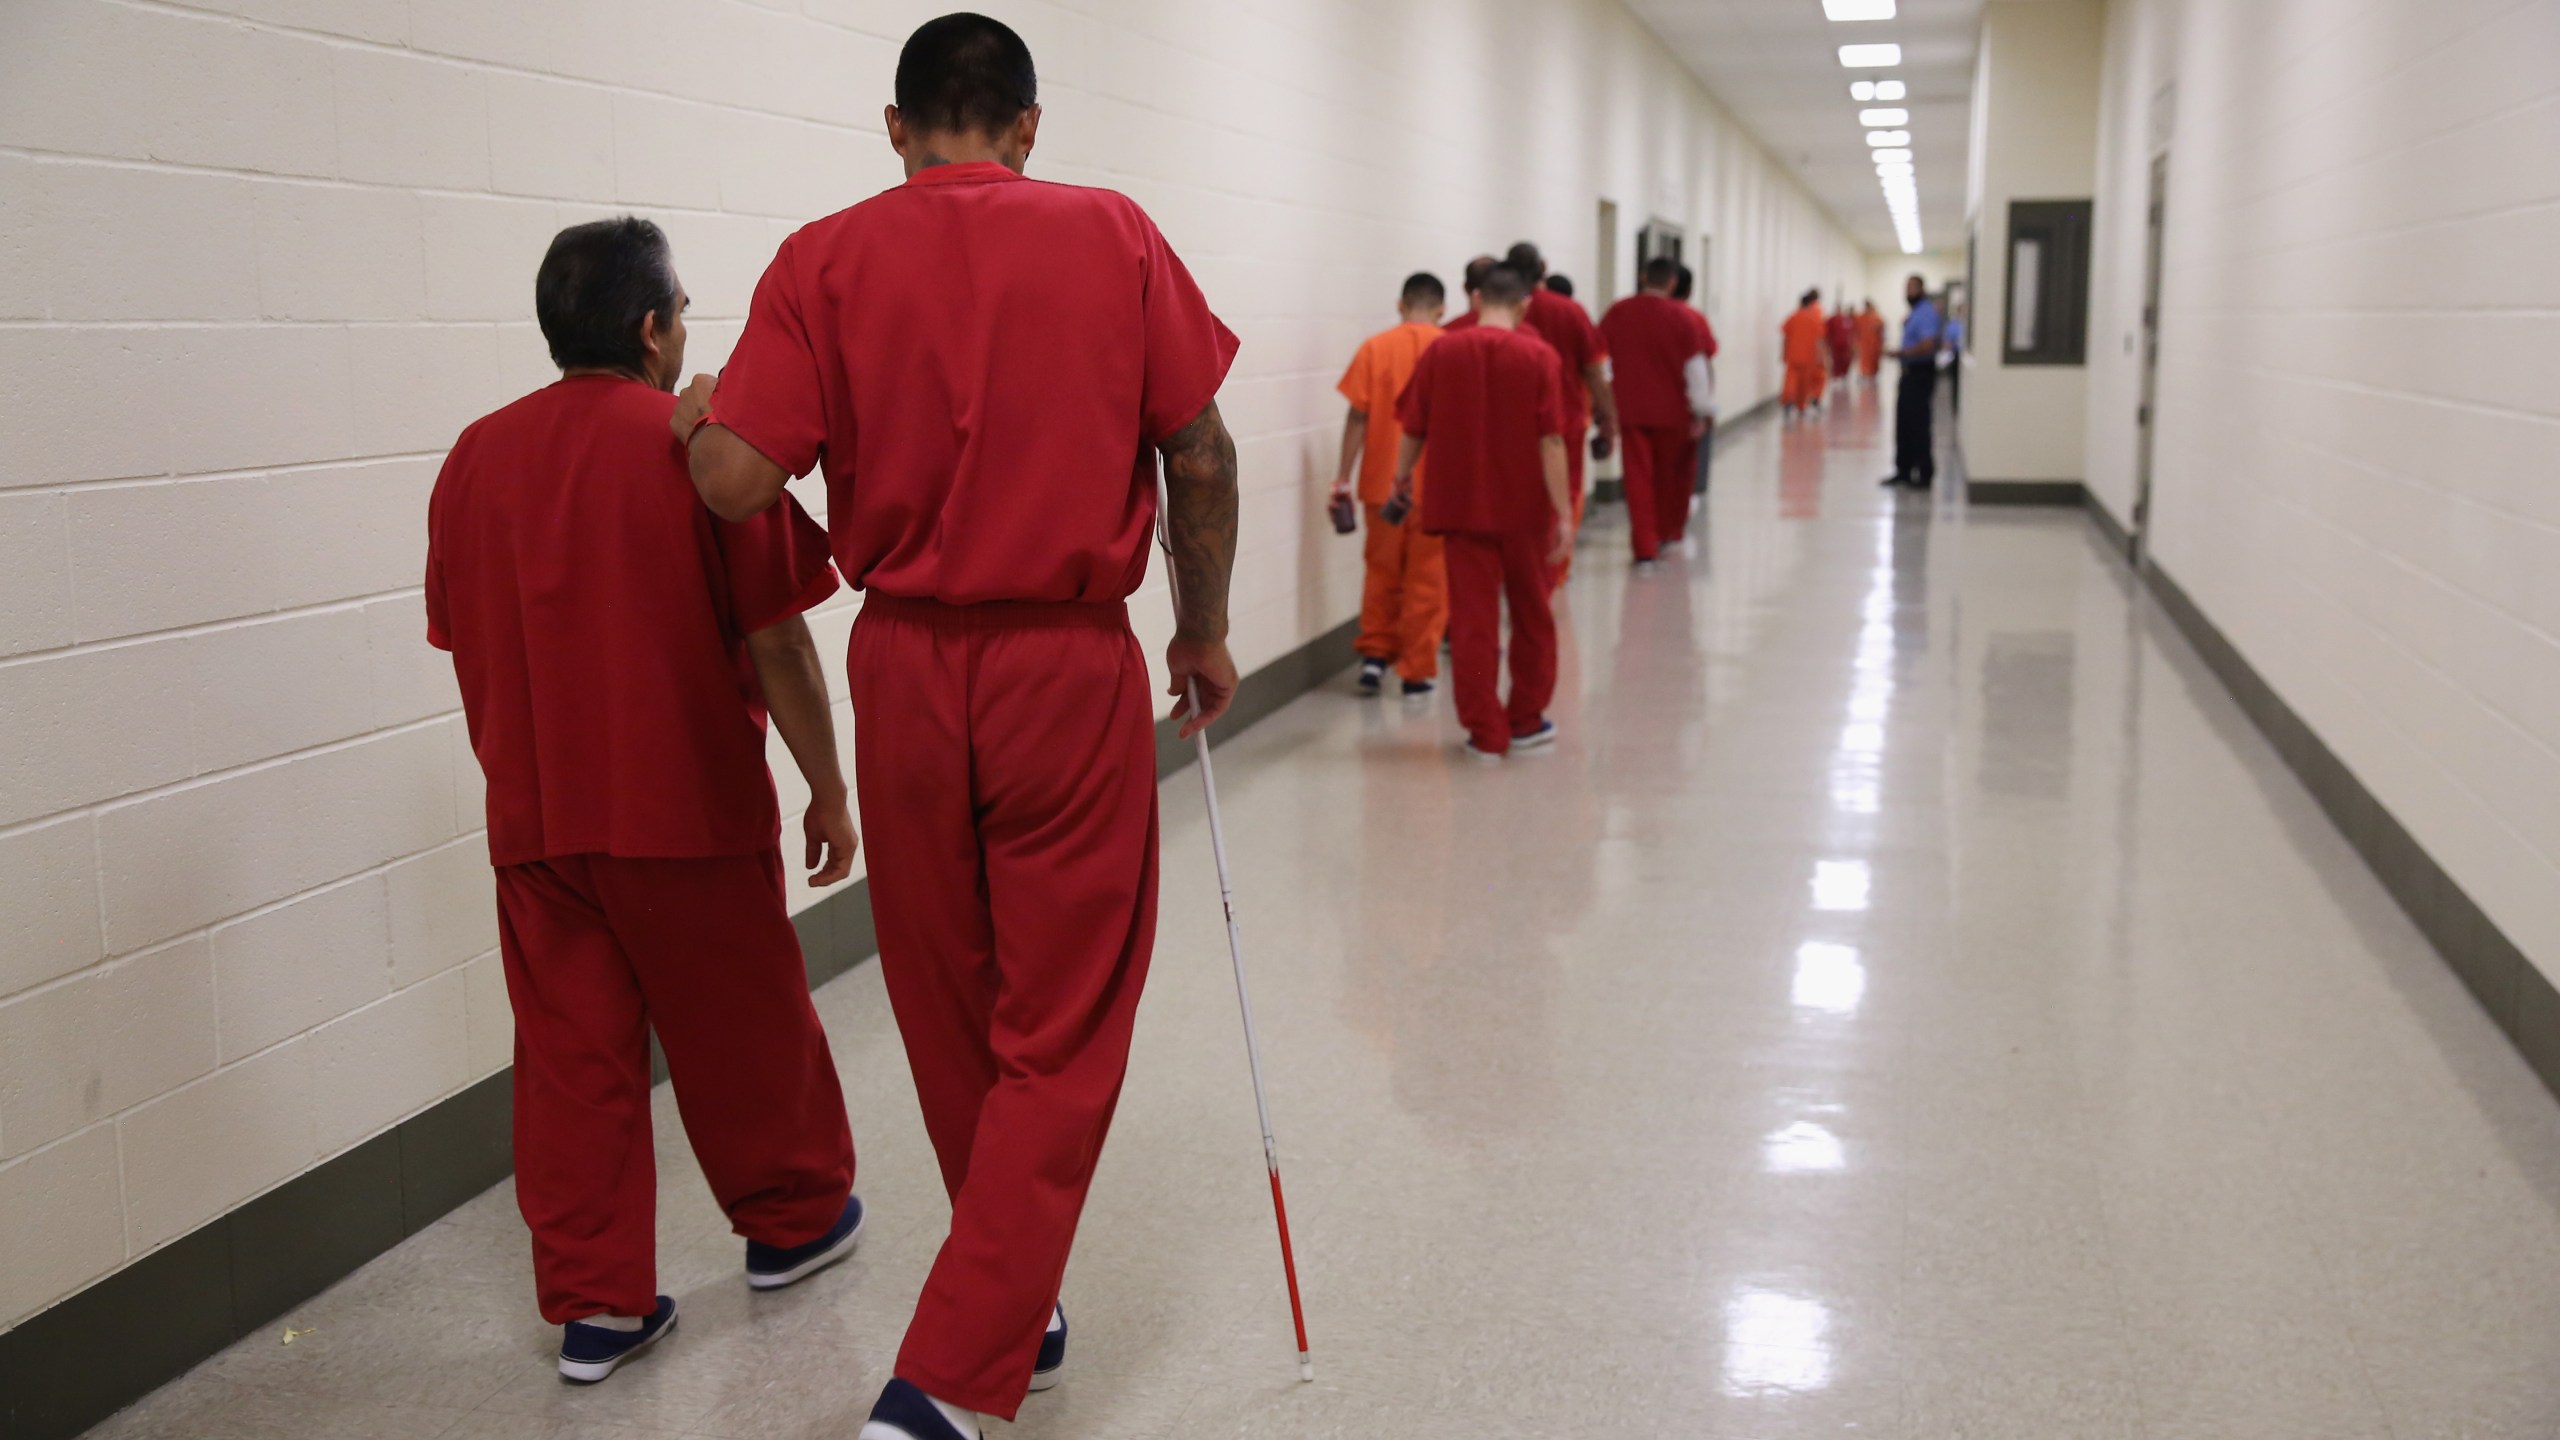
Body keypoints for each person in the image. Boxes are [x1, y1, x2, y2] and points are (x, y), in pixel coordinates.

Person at [672, 16, 1242, 1440]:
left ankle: (1015, 1295)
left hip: (908, 667)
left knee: (947, 999)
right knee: (1066, 1016)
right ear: (1029, 126)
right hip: (1067, 666)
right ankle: (940, 1382)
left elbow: (740, 484)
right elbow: (1206, 450)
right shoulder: (1113, 234)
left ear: (895, 125)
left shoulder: (822, 258)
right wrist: (1205, 625)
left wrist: (692, 426)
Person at [424, 217, 863, 1385]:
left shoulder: (473, 456)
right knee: (744, 1025)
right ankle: (794, 1222)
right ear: (654, 326)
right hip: (682, 806)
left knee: (571, 1061)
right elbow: (776, 637)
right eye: (684, 315)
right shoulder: (701, 447)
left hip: (535, 821)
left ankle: (597, 1307)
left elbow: (460, 632)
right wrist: (828, 785)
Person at [1388, 264, 1572, 761]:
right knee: (1534, 617)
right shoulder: (1540, 356)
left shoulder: (1442, 352)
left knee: (1472, 623)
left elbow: (1412, 429)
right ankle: (1527, 721)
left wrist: (1401, 480)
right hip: (1528, 513)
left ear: (1474, 301)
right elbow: (1552, 440)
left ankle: (1485, 732)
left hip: (1462, 510)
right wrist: (1565, 515)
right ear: (1524, 305)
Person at [1330, 272, 1448, 697]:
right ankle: (1417, 672)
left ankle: (1375, 659)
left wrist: (1343, 477)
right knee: (1428, 581)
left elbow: (1357, 417)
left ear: (1400, 305)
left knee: (1381, 573)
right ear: (1441, 310)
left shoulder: (1375, 348)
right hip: (1436, 490)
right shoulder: (1450, 349)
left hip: (1381, 485)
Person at [1501, 241, 1617, 589]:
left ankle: (1513, 569)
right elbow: (1595, 372)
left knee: (1512, 495)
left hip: (1506, 424)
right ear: (1544, 267)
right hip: (1564, 421)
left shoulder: (1499, 311)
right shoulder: (1569, 312)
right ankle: (1553, 570)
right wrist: (1609, 418)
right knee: (1564, 496)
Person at [1598, 256, 1716, 568]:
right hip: (1674, 414)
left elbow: (1600, 361)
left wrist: (1605, 403)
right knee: (1670, 476)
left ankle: (1644, 547)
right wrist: (1702, 410)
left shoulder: (1618, 312)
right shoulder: (1683, 318)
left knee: (1637, 478)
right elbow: (1696, 369)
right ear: (1672, 282)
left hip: (1631, 410)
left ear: (1641, 276)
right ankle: (1667, 532)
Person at [1881, 274, 1944, 489]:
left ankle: (1924, 473)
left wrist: (1901, 352)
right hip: (1909, 373)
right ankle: (1904, 470)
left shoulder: (1926, 312)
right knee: (1904, 423)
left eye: (1912, 288)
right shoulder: (1915, 313)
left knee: (1918, 424)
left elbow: (1928, 345)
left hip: (1920, 373)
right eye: (1906, 287)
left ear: (1922, 290)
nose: (1908, 292)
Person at [1672, 264, 1719, 503]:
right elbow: (1705, 358)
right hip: (1686, 403)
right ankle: (1689, 499)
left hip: (1645, 404)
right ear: (1689, 290)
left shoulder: (1632, 312)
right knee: (1689, 461)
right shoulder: (1693, 318)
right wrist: (1706, 406)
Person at [1780, 288, 1828, 417]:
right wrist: (1821, 357)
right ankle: (1801, 406)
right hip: (1808, 357)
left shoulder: (1793, 317)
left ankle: (1788, 401)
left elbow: (1785, 335)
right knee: (1803, 383)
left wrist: (1783, 353)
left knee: (1790, 379)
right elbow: (1820, 339)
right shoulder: (1814, 318)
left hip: (1793, 355)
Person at [1942, 301, 1967, 413]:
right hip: (1956, 356)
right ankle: (1956, 406)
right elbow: (1947, 342)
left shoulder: (1969, 324)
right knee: (1956, 383)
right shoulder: (1953, 325)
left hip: (1965, 356)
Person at [1854, 300, 1885, 382]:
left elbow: (1883, 330)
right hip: (1864, 344)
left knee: (1874, 361)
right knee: (1864, 360)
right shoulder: (1861, 317)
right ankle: (1865, 375)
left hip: (1874, 344)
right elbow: (1856, 330)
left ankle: (1872, 375)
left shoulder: (1877, 317)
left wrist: (1882, 343)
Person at [1826, 298, 1856, 383]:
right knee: (1836, 360)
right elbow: (1827, 332)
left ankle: (1843, 375)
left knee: (1845, 360)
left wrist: (1852, 343)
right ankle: (1836, 375)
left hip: (1845, 344)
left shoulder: (1846, 319)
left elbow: (1851, 331)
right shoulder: (1831, 320)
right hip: (1835, 344)